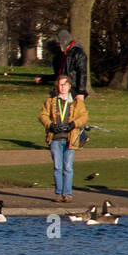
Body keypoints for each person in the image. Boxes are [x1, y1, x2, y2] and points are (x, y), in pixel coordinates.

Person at [39, 74, 89, 202]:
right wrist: (50, 125)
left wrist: (73, 124)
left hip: (70, 138)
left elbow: (84, 117)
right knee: (57, 167)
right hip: (55, 138)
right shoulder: (51, 101)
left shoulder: (77, 102)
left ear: (69, 86)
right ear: (57, 86)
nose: (62, 87)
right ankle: (58, 193)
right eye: (60, 85)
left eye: (65, 85)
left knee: (68, 167)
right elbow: (43, 115)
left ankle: (67, 194)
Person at [56, 29, 88, 100]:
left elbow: (82, 73)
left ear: (64, 42)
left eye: (59, 43)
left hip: (73, 90)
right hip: (64, 89)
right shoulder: (65, 54)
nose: (59, 46)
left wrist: (81, 92)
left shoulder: (78, 53)